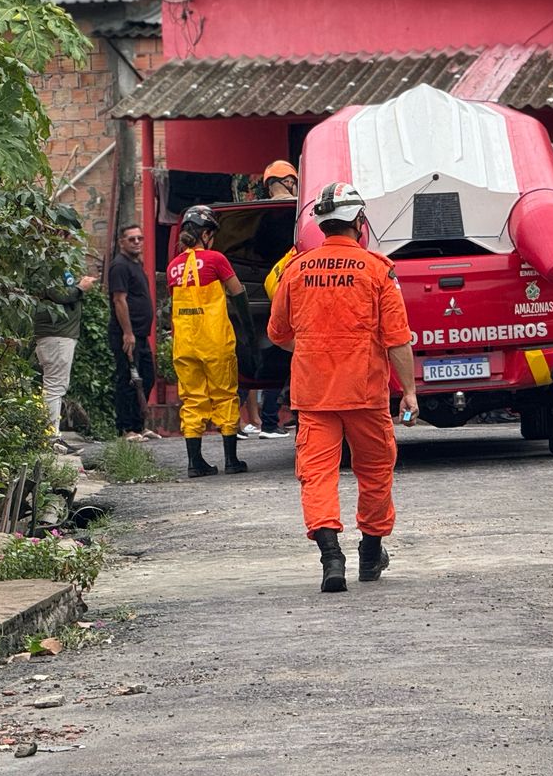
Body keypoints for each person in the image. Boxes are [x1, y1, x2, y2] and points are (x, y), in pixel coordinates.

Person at [267, 182, 417, 593]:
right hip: (364, 392)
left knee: (317, 476)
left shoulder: (296, 270)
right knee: (374, 471)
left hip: (313, 394)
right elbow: (397, 339)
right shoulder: (377, 268)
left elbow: (278, 332)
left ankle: (331, 557)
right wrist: (409, 391)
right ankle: (370, 555)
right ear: (359, 223)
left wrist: (315, 348)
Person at [168, 205, 253, 478]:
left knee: (192, 399)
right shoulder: (216, 260)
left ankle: (195, 463)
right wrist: (249, 333)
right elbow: (239, 294)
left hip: (184, 344)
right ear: (206, 234)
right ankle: (231, 460)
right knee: (225, 394)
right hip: (214, 341)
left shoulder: (173, 267)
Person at [33, 215, 99, 452]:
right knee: (54, 386)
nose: (71, 241)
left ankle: (50, 437)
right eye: (69, 236)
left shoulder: (52, 259)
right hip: (56, 332)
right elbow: (59, 293)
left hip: (59, 332)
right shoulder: (50, 261)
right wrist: (81, 288)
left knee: (54, 385)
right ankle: (51, 439)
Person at [257, 160, 299, 439]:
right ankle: (300, 415)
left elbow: (256, 253)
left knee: (278, 353)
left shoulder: (262, 217)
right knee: (304, 352)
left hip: (275, 288)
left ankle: (270, 421)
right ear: (288, 181)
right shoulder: (300, 211)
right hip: (302, 287)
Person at [108, 223, 157, 441]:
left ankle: (139, 426)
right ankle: (126, 429)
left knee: (147, 377)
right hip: (127, 334)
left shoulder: (136, 264)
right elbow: (119, 300)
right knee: (128, 380)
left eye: (139, 238)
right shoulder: (119, 265)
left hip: (141, 333)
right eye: (131, 239)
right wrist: (127, 333)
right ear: (122, 242)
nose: (137, 242)